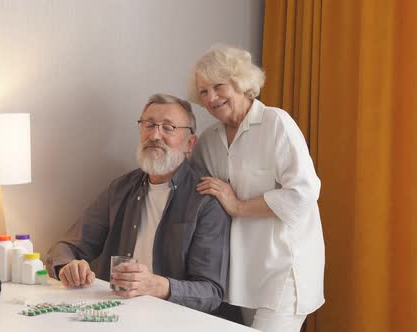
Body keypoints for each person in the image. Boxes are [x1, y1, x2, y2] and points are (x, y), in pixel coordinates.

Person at [46, 93, 231, 313]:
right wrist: (68, 266)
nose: (155, 135)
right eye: (149, 125)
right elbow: (65, 247)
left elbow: (210, 292)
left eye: (168, 128)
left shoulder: (206, 199)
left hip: (172, 320)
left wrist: (158, 286)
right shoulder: (121, 188)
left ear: (190, 142)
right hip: (113, 313)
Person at [188, 45, 325, 332]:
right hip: (239, 273)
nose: (211, 97)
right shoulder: (208, 141)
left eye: (218, 86)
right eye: (203, 91)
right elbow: (194, 191)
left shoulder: (276, 123)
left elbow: (303, 194)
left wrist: (237, 205)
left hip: (283, 270)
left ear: (240, 83)